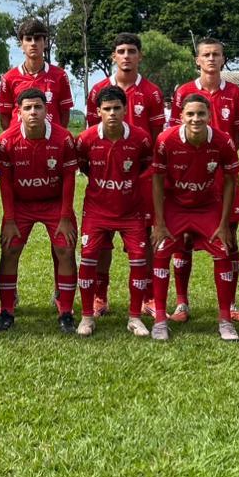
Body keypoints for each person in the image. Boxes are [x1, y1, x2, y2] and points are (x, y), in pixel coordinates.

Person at [85, 33, 167, 317]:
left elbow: (156, 143)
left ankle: (147, 297)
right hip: (105, 179)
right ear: (113, 56)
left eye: (132, 51)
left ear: (140, 56)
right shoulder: (97, 90)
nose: (127, 56)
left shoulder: (153, 92)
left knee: (144, 240)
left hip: (140, 180)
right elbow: (89, 140)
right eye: (121, 51)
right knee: (101, 242)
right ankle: (99, 296)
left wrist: (144, 175)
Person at [167, 37, 239, 323]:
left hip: (222, 175)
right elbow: (175, 133)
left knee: (230, 237)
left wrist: (222, 158)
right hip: (189, 177)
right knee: (183, 239)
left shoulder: (235, 94)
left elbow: (238, 134)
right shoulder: (184, 92)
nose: (211, 59)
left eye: (216, 54)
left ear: (223, 59)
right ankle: (181, 303)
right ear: (197, 60)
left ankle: (231, 303)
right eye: (206, 55)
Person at [149, 95, 239, 342]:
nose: (195, 119)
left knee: (223, 251)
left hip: (206, 206)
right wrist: (159, 223)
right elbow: (156, 180)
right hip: (175, 206)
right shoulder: (166, 140)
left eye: (201, 114)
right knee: (160, 250)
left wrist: (223, 224)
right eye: (190, 114)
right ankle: (160, 319)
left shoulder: (222, 141)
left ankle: (225, 321)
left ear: (209, 116)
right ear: (181, 117)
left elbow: (231, 180)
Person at [0, 89, 80, 333]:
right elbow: (5, 183)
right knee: (10, 249)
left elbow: (69, 180)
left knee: (65, 249)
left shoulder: (63, 139)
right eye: (28, 108)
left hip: (54, 204)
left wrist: (65, 217)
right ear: (18, 112)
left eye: (38, 107)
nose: (33, 112)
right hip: (21, 205)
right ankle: (6, 311)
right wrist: (9, 219)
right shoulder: (7, 140)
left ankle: (66, 313)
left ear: (46, 111)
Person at [75, 86, 155, 337]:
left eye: (117, 108)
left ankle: (134, 317)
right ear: (98, 111)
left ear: (125, 110)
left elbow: (146, 166)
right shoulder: (86, 139)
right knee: (88, 257)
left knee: (140, 258)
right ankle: (87, 317)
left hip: (131, 211)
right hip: (97, 209)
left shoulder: (140, 138)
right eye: (107, 109)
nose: (112, 113)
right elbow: (83, 166)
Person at [0, 18, 74, 130]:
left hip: (51, 142)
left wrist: (55, 137)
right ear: (21, 44)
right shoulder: (8, 78)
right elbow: (4, 116)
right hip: (19, 144)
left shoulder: (60, 75)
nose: (33, 43)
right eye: (28, 39)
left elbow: (65, 113)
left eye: (37, 39)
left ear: (45, 43)